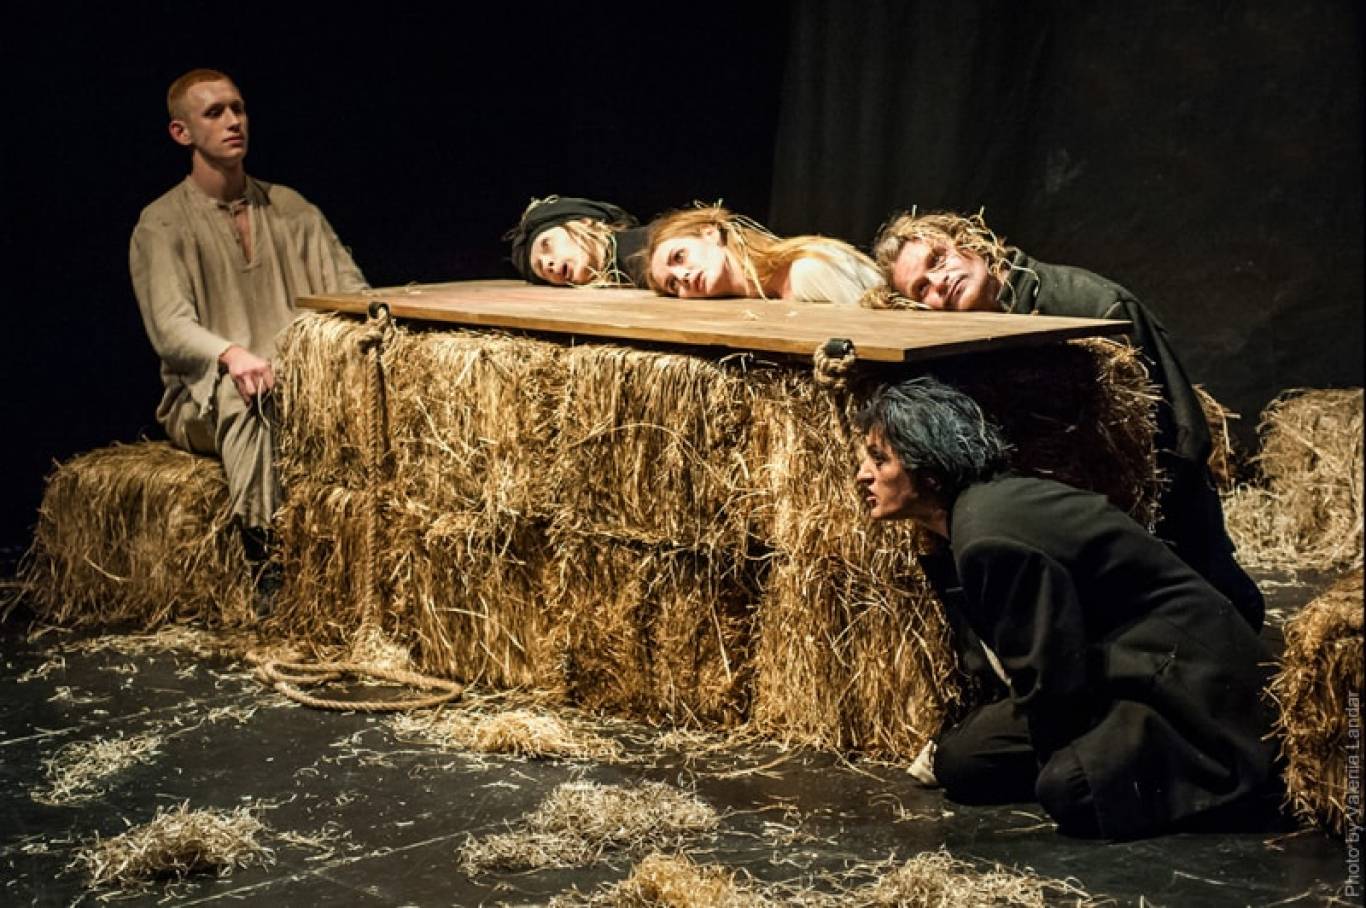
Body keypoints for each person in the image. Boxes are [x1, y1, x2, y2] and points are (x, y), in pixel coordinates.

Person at [855, 377, 1278, 840]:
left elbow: (1053, 678)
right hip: (1111, 671)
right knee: (961, 761)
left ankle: (1210, 772)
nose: (863, 475)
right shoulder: (978, 513)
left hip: (1181, 681)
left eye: (880, 460)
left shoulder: (987, 535)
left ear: (930, 472)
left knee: (1073, 789)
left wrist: (1073, 758)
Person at [870, 210, 1264, 630]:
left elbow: (1180, 426)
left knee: (1221, 616)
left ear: (966, 242)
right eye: (922, 288)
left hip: (1159, 511)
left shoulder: (1090, 304)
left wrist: (1158, 509)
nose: (939, 281)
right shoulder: (957, 343)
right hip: (1072, 528)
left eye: (937, 260)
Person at [129, 69, 368, 565]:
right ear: (182, 132)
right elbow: (170, 328)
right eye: (214, 113)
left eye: (237, 109)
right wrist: (232, 354)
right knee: (249, 397)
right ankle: (266, 554)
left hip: (301, 386)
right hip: (205, 400)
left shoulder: (290, 208)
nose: (233, 121)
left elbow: (352, 294)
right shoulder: (162, 223)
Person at [644, 205, 880, 306]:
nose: (682, 276)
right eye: (672, 284)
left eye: (679, 257)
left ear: (710, 233)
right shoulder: (770, 292)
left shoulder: (807, 270)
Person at [506, 196, 648, 287]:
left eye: (547, 245)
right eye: (540, 267)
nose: (546, 264)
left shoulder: (645, 246)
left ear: (584, 222)